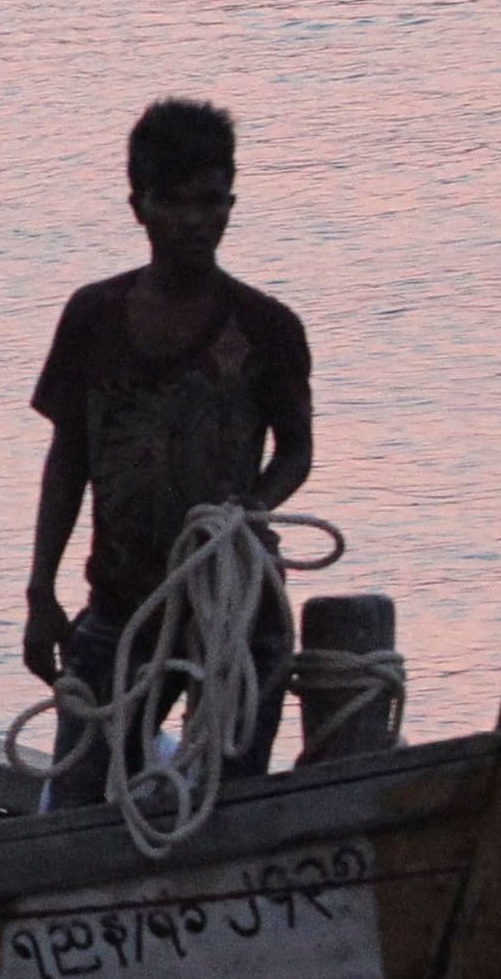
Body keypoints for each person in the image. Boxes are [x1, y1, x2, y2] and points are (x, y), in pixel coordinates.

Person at [24, 97, 312, 807]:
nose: (194, 220)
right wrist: (40, 592)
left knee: (233, 798)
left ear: (231, 204)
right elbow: (69, 459)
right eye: (174, 201)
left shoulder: (266, 327)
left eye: (211, 201)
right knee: (80, 801)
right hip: (124, 601)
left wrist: (255, 505)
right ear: (139, 206)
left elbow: (297, 450)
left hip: (233, 605)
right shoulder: (93, 316)